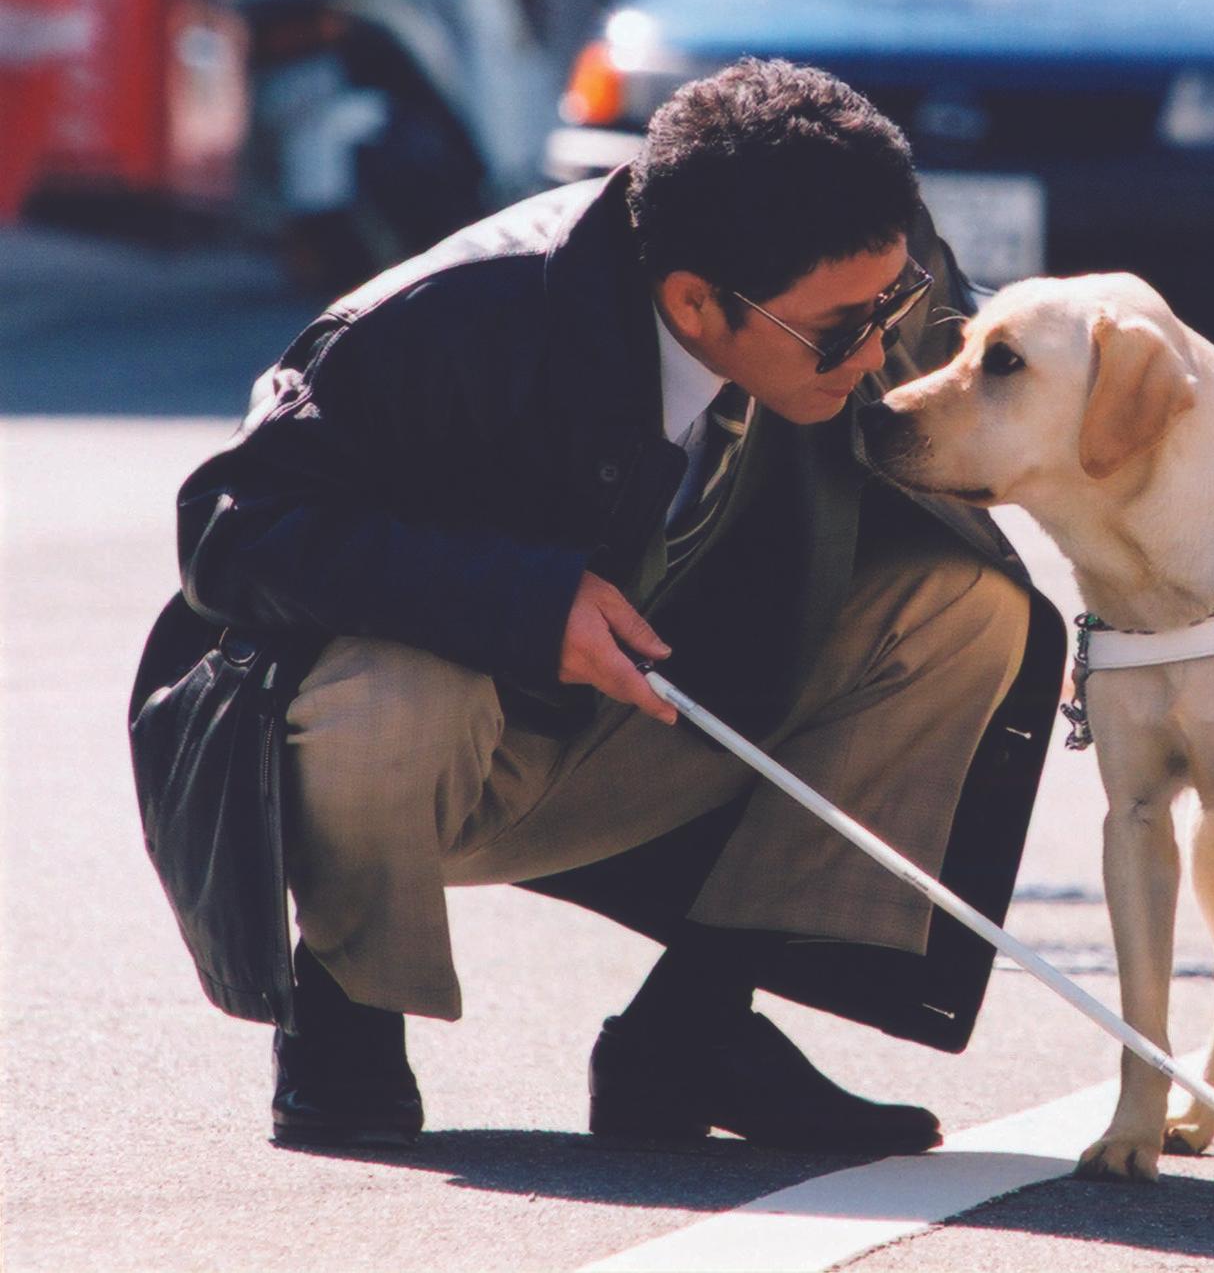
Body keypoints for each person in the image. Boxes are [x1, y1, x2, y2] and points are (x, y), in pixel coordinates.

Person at [128, 58, 1062, 1152]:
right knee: (392, 689)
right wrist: (522, 601)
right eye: (839, 330)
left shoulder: (853, 263)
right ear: (694, 302)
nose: (874, 358)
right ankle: (344, 1010)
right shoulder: (447, 319)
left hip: (673, 721)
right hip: (442, 755)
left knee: (966, 606)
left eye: (892, 303)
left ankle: (691, 1031)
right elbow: (229, 527)